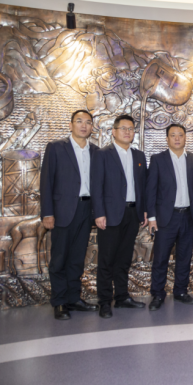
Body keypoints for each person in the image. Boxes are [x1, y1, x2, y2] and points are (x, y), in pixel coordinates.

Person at [40, 110, 99, 320]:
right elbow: (46, 181)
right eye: (79, 121)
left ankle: (74, 298)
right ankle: (59, 301)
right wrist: (48, 213)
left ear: (92, 127)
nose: (84, 125)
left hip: (86, 209)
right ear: (71, 125)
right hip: (62, 210)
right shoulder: (56, 147)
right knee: (59, 258)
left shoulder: (95, 151)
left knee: (77, 258)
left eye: (88, 122)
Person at [91, 115, 148, 319]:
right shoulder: (102, 154)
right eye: (123, 128)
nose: (127, 132)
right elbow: (96, 186)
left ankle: (122, 297)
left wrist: (144, 210)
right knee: (106, 260)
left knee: (124, 258)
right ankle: (104, 301)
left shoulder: (139, 156)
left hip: (132, 213)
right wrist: (99, 213)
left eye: (131, 129)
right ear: (114, 132)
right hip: (110, 215)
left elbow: (143, 187)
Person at [146, 124, 193, 311]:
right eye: (173, 135)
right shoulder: (158, 159)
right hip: (166, 218)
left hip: (187, 216)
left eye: (180, 135)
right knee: (161, 258)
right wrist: (152, 217)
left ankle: (180, 291)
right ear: (167, 138)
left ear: (185, 137)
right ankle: (157, 294)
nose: (177, 138)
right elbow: (151, 190)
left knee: (184, 256)